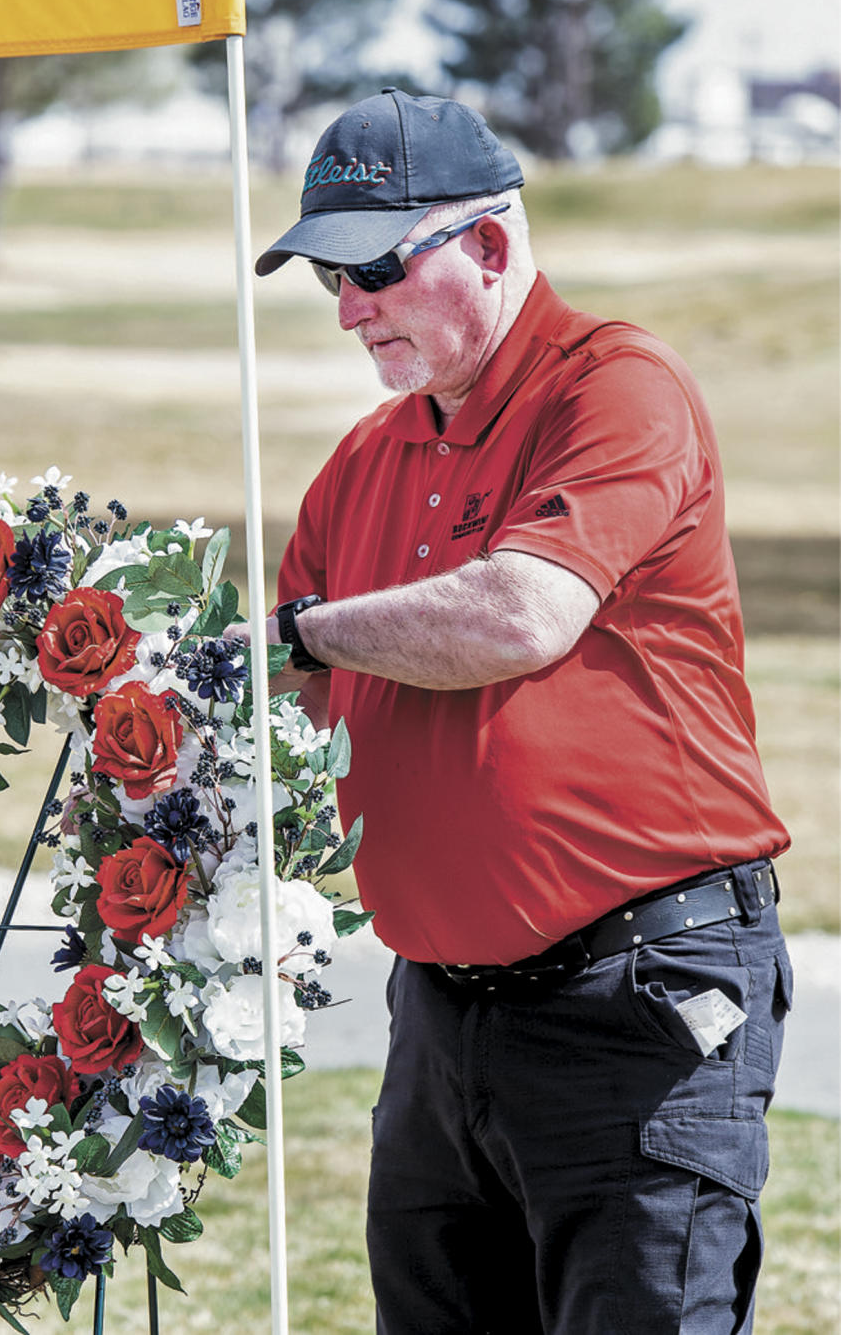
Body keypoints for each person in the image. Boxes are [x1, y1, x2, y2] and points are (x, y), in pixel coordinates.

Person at [248, 88, 793, 1333]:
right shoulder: (362, 462)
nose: (347, 310)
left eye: (372, 269)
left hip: (638, 992)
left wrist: (287, 637)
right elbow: (286, 715)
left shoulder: (618, 387)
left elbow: (517, 617)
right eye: (325, 281)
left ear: (488, 244)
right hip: (440, 1014)